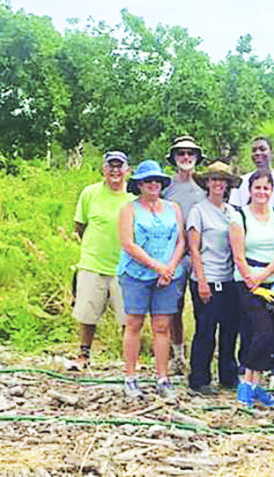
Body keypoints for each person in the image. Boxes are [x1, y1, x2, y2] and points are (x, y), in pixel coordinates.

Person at [117, 160, 186, 401]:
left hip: (168, 276)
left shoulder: (173, 208)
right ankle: (130, 377)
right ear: (139, 184)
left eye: (157, 180)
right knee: (134, 323)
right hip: (136, 274)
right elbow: (128, 243)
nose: (153, 184)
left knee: (162, 326)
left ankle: (162, 378)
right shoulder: (129, 209)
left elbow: (181, 241)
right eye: (148, 181)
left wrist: (170, 267)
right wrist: (156, 266)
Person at [229, 170, 274, 407]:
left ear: (271, 191)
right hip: (246, 282)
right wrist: (250, 279)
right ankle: (246, 382)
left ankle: (257, 386)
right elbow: (238, 254)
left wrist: (264, 275)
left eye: (266, 188)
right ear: (250, 190)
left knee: (273, 333)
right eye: (257, 188)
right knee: (261, 330)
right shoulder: (239, 217)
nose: (262, 192)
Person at [69, 151, 134, 370]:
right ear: (103, 170)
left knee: (128, 316)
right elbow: (80, 226)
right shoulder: (90, 193)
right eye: (111, 166)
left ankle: (130, 360)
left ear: (128, 170)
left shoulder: (134, 196)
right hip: (92, 263)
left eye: (119, 166)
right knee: (87, 314)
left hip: (125, 266)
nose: (115, 171)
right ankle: (84, 355)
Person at [187, 158, 242, 393]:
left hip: (229, 278)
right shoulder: (198, 211)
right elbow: (194, 249)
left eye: (223, 180)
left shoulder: (233, 212)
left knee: (230, 330)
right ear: (207, 182)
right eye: (214, 179)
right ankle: (199, 378)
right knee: (205, 330)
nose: (218, 184)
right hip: (206, 277)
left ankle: (228, 376)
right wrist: (201, 281)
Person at [163, 136, 207, 374]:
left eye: (191, 153)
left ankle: (201, 360)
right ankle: (178, 356)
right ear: (174, 158)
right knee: (173, 308)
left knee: (203, 308)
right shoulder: (166, 187)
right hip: (174, 256)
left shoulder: (204, 186)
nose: (186, 157)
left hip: (201, 256)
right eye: (181, 153)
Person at [229, 136, 274, 207]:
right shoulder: (242, 182)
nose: (257, 153)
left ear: (272, 152)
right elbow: (234, 210)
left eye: (262, 149)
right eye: (254, 150)